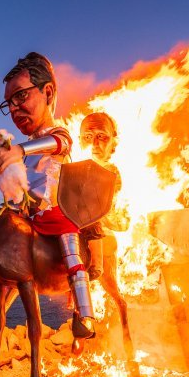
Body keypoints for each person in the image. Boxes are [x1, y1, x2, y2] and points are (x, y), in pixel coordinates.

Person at [0, 52, 95, 339]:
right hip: (29, 213)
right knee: (11, 254)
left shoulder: (55, 133)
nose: (14, 109)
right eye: (8, 103)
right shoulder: (27, 148)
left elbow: (60, 143)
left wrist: (20, 149)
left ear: (47, 91)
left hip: (56, 210)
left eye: (20, 97)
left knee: (71, 252)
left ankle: (85, 314)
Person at [78, 112, 127, 280]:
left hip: (102, 234)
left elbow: (120, 222)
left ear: (113, 142)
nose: (94, 144)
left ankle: (96, 263)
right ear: (79, 140)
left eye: (101, 137)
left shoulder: (113, 173)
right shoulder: (75, 170)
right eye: (88, 137)